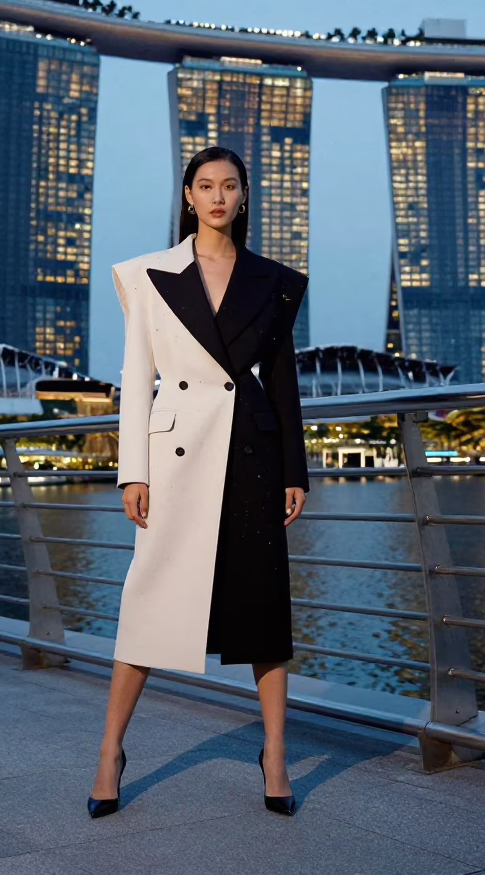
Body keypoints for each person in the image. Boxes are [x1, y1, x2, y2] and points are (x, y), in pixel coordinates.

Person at [87, 146, 309, 819]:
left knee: (264, 613)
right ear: (188, 196)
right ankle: (108, 752)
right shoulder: (147, 274)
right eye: (205, 185)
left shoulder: (274, 279)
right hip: (176, 458)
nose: (218, 196)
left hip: (253, 454)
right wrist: (133, 470)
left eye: (230, 185)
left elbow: (282, 381)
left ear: (244, 196)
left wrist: (294, 470)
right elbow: (136, 381)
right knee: (148, 603)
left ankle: (274, 754)